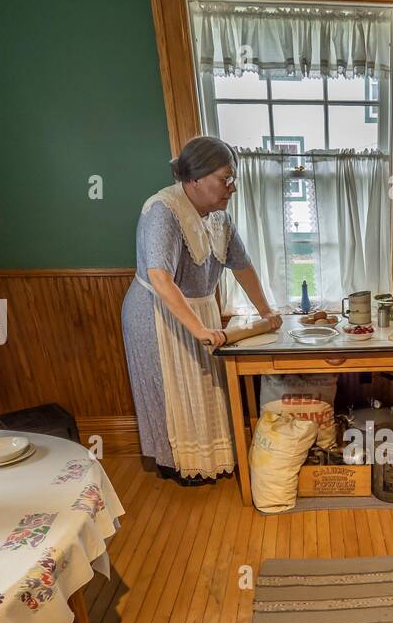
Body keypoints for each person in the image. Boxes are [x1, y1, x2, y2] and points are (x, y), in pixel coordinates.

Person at [120, 136, 280, 482]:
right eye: (225, 178)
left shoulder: (218, 217)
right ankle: (180, 465)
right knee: (176, 391)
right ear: (194, 179)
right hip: (159, 314)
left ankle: (211, 459)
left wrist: (268, 313)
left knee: (204, 387)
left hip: (201, 309)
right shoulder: (163, 210)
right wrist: (200, 330)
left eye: (232, 178)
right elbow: (160, 277)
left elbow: (243, 267)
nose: (231, 187)